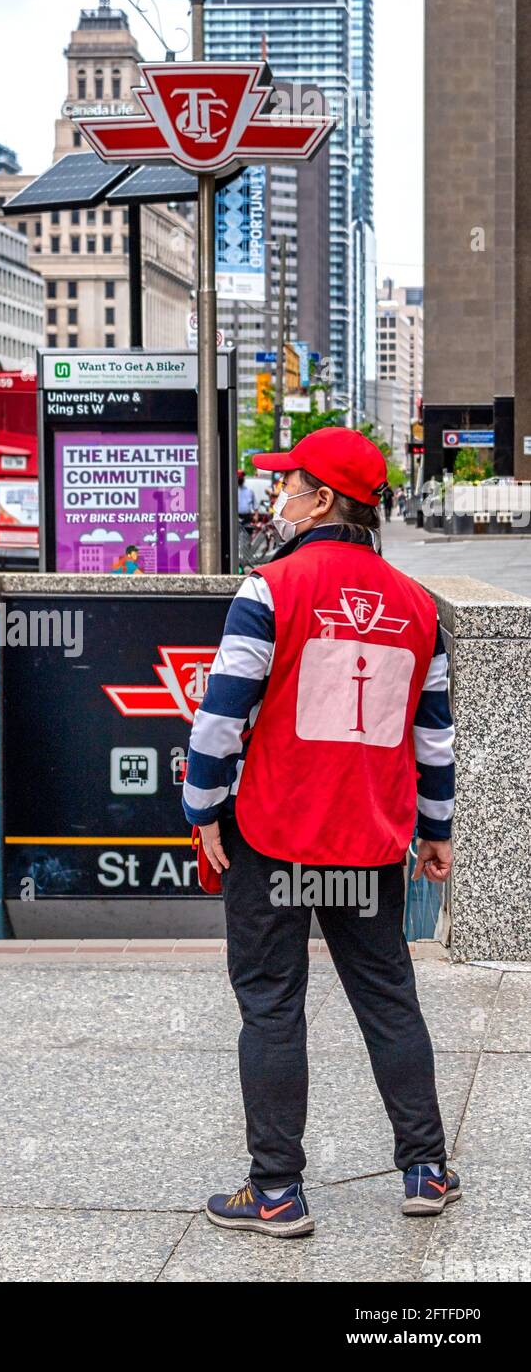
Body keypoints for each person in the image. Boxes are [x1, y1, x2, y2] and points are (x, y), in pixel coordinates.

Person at [182, 426, 459, 1239]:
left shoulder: (269, 589)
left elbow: (220, 717)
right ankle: (425, 1170)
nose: (278, 498)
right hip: (370, 842)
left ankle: (276, 1192)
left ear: (325, 499)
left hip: (271, 834)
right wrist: (435, 829)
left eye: (288, 484)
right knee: (388, 999)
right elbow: (434, 738)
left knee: (271, 1006)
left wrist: (202, 812)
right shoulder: (416, 607)